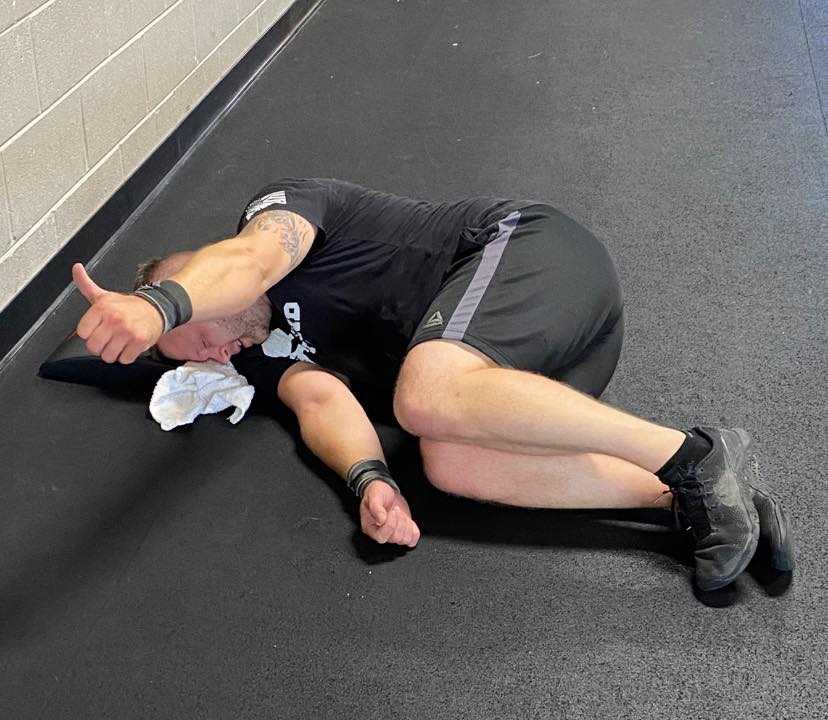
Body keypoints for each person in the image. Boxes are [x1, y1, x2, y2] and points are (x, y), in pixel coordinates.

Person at [71, 177, 793, 594]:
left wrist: (159, 307)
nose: (219, 353)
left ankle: (694, 454)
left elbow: (249, 263)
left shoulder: (277, 215)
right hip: (540, 368)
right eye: (204, 359)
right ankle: (690, 497)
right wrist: (369, 479)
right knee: (446, 461)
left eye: (201, 333)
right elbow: (319, 400)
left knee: (422, 396)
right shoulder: (257, 351)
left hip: (536, 256)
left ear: (194, 276)